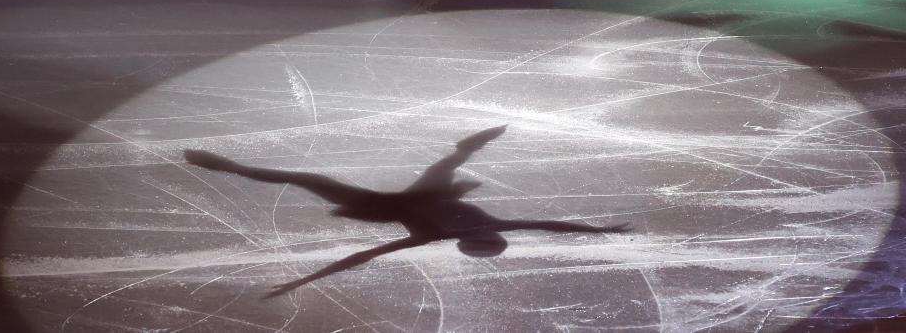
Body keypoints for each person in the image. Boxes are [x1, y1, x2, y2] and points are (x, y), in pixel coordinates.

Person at [184, 125, 630, 296]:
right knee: (448, 163)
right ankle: (467, 148)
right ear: (489, 236)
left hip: (388, 207)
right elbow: (549, 225)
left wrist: (301, 281)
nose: (475, 229)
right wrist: (600, 231)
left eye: (473, 235)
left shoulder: (434, 236)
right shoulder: (491, 224)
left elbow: (361, 258)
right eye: (484, 234)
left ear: (467, 241)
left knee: (308, 180)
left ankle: (230, 167)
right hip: (423, 198)